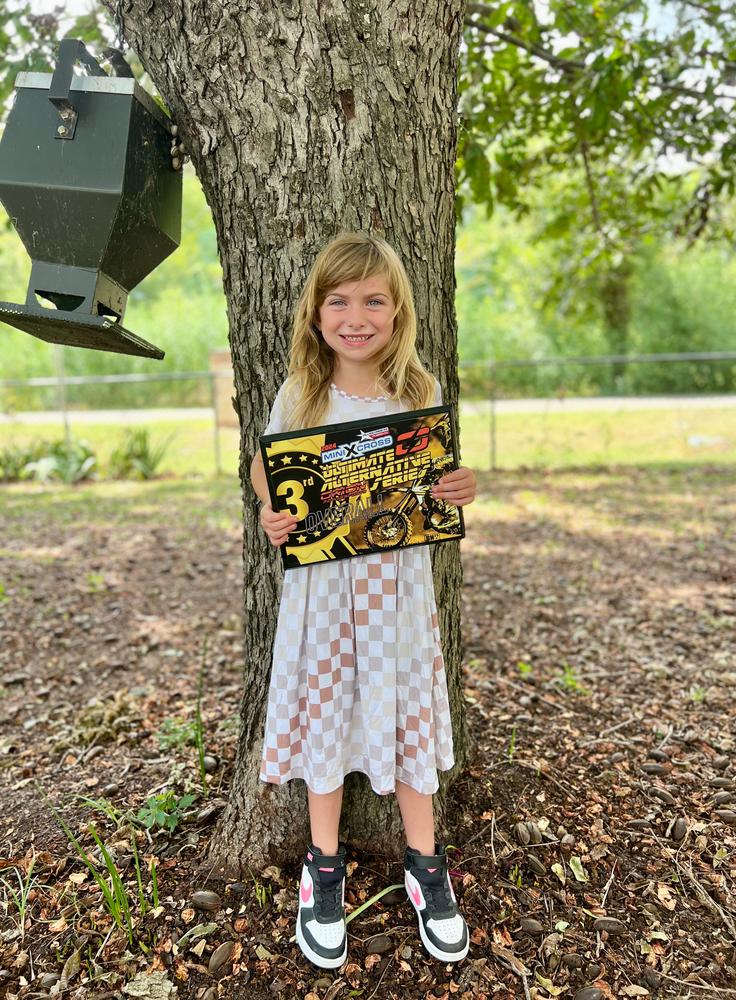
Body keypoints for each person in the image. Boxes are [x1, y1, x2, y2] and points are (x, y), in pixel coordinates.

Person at [249, 232, 477, 971]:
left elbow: (436, 477)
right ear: (317, 313)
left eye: (373, 299)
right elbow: (267, 466)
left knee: (403, 706)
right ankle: (323, 870)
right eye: (339, 300)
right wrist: (270, 512)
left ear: (398, 310)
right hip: (321, 592)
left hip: (396, 594)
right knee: (327, 709)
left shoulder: (420, 391)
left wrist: (457, 489)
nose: (356, 315)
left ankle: (426, 865)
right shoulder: (301, 392)